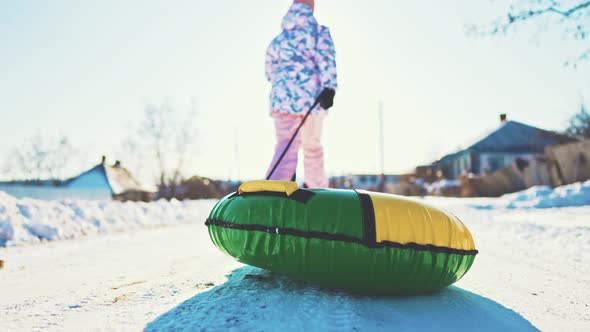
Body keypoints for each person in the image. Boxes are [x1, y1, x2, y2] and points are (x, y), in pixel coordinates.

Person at [264, 0, 337, 188]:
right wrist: (330, 88)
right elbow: (326, 61)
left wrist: (284, 87)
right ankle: (318, 192)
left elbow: (270, 69)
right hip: (310, 100)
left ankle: (275, 190)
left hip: (282, 101)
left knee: (285, 146)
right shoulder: (318, 33)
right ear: (311, 8)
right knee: (312, 147)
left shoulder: (279, 39)